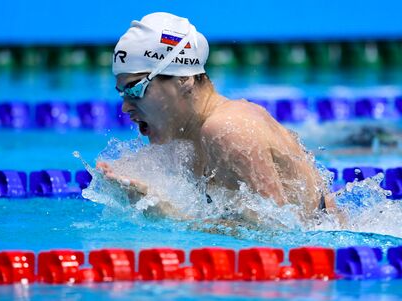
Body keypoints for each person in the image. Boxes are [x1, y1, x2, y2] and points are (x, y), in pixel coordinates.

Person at [97, 12, 336, 223]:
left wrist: (169, 216)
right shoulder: (186, 138)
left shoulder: (227, 130)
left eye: (135, 89)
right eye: (122, 94)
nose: (126, 106)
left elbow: (281, 232)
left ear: (183, 80)